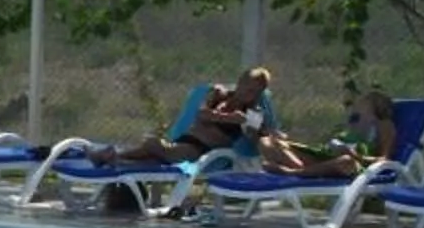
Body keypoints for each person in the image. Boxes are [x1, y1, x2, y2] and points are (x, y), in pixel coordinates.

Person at [88, 68, 271, 166]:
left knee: (153, 144)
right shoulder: (219, 95)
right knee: (153, 155)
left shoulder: (253, 113)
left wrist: (255, 130)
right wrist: (230, 118)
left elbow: (256, 137)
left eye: (256, 92)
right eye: (248, 88)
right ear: (239, 83)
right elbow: (201, 114)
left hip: (201, 151)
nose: (250, 95)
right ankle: (116, 159)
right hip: (184, 142)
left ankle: (114, 156)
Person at [254, 89, 396, 179]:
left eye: (364, 101)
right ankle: (302, 170)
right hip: (325, 158)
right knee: (267, 142)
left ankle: (293, 172)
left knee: (346, 161)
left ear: (375, 105)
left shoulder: (383, 125)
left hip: (351, 165)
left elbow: (384, 159)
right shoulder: (355, 123)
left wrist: (356, 156)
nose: (358, 104)